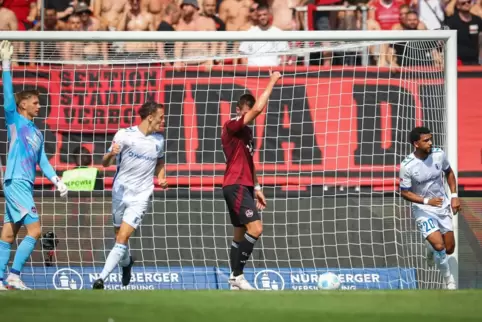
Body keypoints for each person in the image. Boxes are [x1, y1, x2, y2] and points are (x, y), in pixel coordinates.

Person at [0, 40, 68, 291]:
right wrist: (6, 65)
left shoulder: (37, 133)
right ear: (23, 105)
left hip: (24, 184)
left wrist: (56, 179)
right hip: (16, 181)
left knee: (8, 234)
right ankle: (14, 275)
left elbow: (42, 161)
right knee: (35, 230)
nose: (39, 106)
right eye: (35, 102)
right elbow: (8, 98)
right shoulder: (15, 121)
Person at [92, 102, 168, 289]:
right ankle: (126, 264)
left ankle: (101, 278)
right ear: (150, 116)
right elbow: (104, 163)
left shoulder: (158, 140)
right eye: (161, 117)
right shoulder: (124, 135)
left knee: (122, 238)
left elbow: (159, 163)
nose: (163, 121)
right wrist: (111, 154)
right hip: (120, 192)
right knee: (119, 235)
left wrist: (161, 178)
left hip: (141, 196)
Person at [222, 71, 282, 290]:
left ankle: (233, 281)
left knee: (239, 235)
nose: (250, 117)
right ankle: (237, 275)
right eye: (246, 113)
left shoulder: (247, 134)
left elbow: (250, 162)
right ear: (239, 110)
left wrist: (257, 187)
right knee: (255, 229)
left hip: (244, 185)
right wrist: (273, 80)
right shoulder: (232, 124)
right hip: (235, 184)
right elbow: (258, 109)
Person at [399, 127, 460, 290]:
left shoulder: (439, 154)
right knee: (439, 246)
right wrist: (427, 201)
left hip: (442, 205)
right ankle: (450, 282)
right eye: (426, 140)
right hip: (423, 209)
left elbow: (449, 173)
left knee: (449, 248)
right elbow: (404, 192)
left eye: (430, 139)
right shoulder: (407, 165)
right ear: (416, 144)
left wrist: (454, 196)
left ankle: (430, 248)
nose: (430, 143)